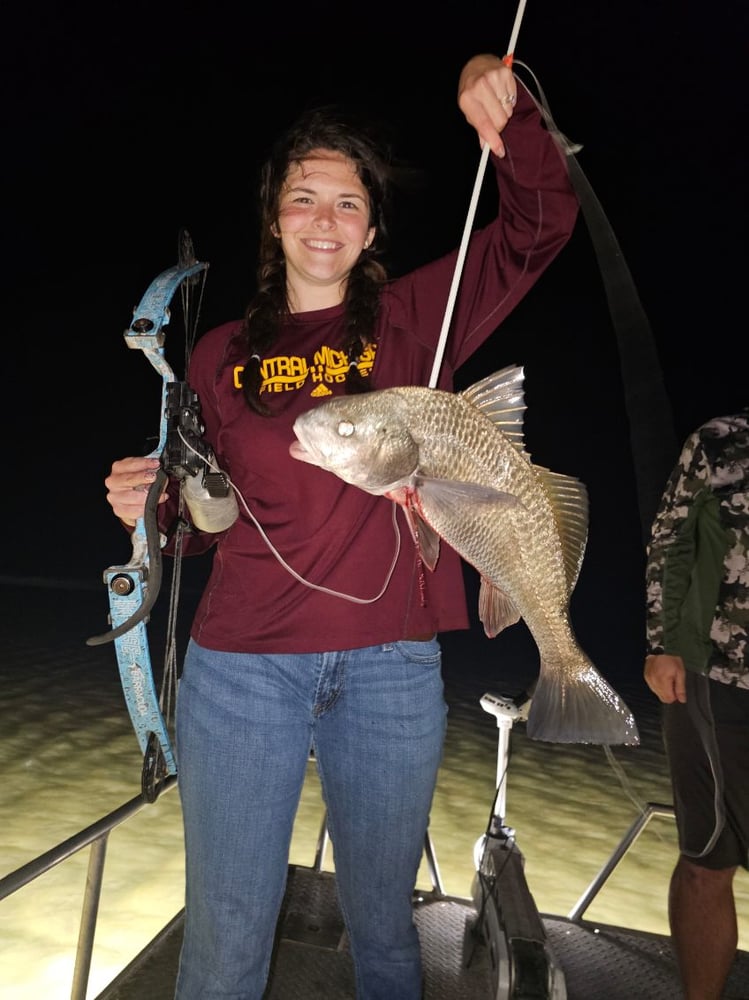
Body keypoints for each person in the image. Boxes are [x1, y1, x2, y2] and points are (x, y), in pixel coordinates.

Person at [104, 53, 578, 1000]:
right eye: (303, 198)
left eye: (347, 204)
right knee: (225, 945)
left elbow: (537, 227)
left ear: (369, 231)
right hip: (242, 673)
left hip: (389, 671)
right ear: (274, 217)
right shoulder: (216, 356)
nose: (323, 219)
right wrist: (152, 509)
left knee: (388, 940)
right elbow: (209, 519)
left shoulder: (415, 320)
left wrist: (506, 107)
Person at [644, 408, 749, 1000]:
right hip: (715, 681)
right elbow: (670, 542)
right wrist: (662, 645)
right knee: (707, 861)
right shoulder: (719, 440)